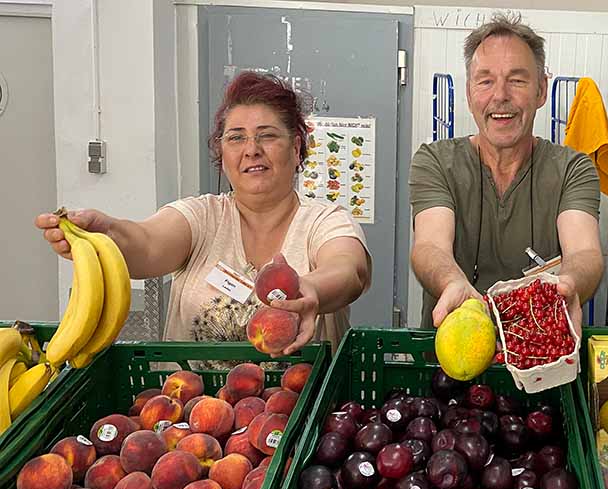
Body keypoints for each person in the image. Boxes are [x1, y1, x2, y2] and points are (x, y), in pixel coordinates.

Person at [37, 71, 371, 356]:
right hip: (191, 414)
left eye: (267, 136)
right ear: (222, 153)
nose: (251, 149)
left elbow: (347, 269)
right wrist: (104, 233)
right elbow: (147, 243)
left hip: (303, 409)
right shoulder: (201, 217)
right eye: (236, 138)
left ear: (296, 148)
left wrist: (311, 289)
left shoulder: (325, 220)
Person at [409, 13, 603, 334]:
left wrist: (570, 284)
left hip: (540, 352)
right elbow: (430, 246)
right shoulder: (436, 161)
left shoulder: (573, 168)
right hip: (453, 351)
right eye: (485, 80)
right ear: (470, 93)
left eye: (517, 80)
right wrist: (452, 281)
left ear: (541, 90)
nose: (500, 95)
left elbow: (584, 252)